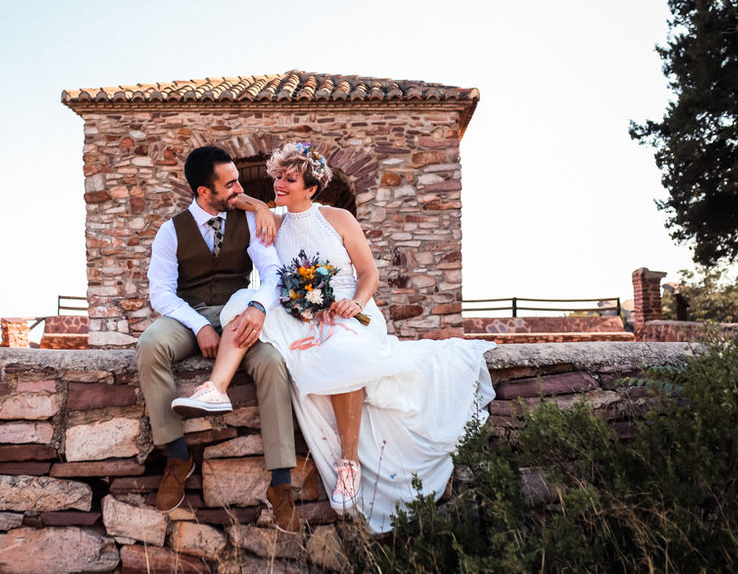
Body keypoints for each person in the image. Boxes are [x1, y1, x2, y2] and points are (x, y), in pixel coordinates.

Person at [172, 142, 496, 533]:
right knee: (245, 306)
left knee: (343, 350)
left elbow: (369, 274)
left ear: (310, 188)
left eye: (289, 179)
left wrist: (356, 304)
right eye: (277, 177)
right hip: (301, 311)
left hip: (346, 309)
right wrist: (259, 207)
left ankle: (349, 463)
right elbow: (237, 198)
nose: (278, 184)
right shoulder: (271, 219)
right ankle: (215, 389)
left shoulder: (338, 218)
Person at [137, 145, 301, 533]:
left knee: (273, 363)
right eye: (230, 185)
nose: (238, 189)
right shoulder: (170, 231)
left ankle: (281, 483)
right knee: (149, 346)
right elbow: (160, 293)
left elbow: (273, 272)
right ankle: (177, 457)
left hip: (239, 315)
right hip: (188, 316)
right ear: (202, 192)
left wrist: (259, 307)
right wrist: (198, 325)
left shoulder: (248, 221)